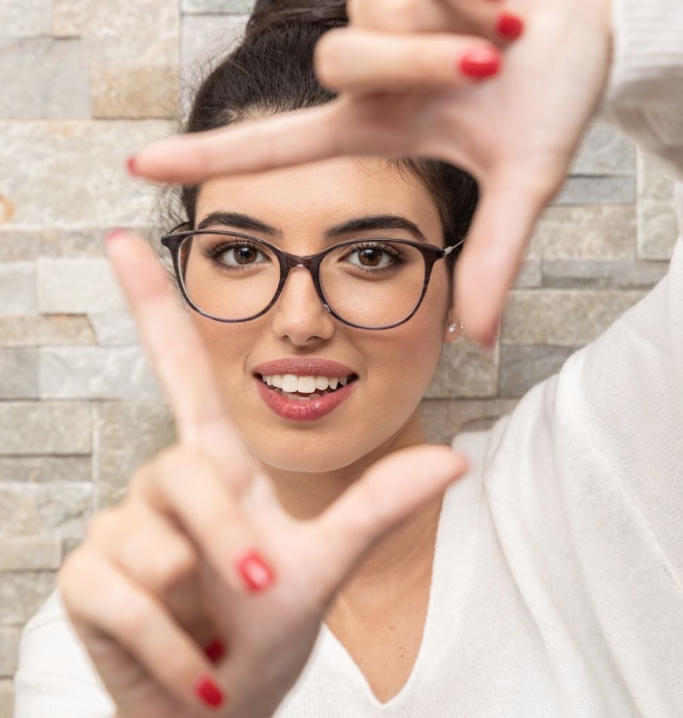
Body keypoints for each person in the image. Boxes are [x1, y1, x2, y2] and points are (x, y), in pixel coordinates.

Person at [13, 0, 683, 716]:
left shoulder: (610, 454)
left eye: (370, 255)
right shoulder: (102, 648)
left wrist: (623, 43)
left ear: (458, 283)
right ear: (182, 277)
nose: (300, 322)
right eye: (239, 253)